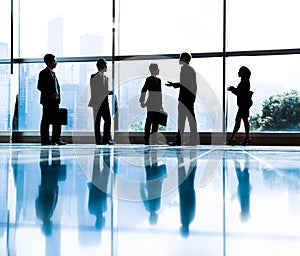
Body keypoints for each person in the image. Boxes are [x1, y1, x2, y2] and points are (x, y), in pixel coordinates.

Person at [166, 52, 198, 146]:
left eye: (180, 57)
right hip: (189, 97)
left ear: (184, 58)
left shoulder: (185, 69)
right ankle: (193, 140)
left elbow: (184, 83)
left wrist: (174, 85)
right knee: (190, 119)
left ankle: (179, 140)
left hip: (185, 98)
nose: (179, 59)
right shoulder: (190, 69)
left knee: (182, 119)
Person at [37, 53, 66, 146]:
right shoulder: (43, 73)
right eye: (54, 61)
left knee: (57, 121)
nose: (56, 63)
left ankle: (56, 139)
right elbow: (40, 86)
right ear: (49, 62)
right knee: (45, 121)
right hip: (47, 101)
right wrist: (51, 95)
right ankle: (45, 140)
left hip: (55, 101)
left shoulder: (53, 73)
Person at [226, 66, 253, 146]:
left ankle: (233, 138)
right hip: (244, 103)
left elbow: (240, 93)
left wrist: (232, 89)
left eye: (240, 71)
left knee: (239, 120)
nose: (238, 72)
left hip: (243, 104)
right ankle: (245, 138)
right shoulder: (245, 81)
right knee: (243, 120)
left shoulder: (244, 82)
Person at [88, 58, 113, 145]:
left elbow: (103, 90)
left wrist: (108, 92)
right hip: (97, 103)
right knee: (97, 122)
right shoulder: (93, 76)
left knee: (108, 120)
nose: (106, 67)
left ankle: (106, 139)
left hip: (105, 103)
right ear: (100, 66)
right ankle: (98, 140)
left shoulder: (106, 78)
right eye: (105, 65)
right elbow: (94, 90)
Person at [139, 63, 163, 145]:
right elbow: (144, 89)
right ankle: (147, 139)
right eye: (157, 69)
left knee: (155, 122)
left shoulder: (159, 80)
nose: (159, 70)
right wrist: (142, 101)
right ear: (153, 70)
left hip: (155, 103)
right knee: (149, 121)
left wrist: (161, 105)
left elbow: (160, 93)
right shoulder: (149, 79)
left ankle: (154, 139)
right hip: (151, 103)